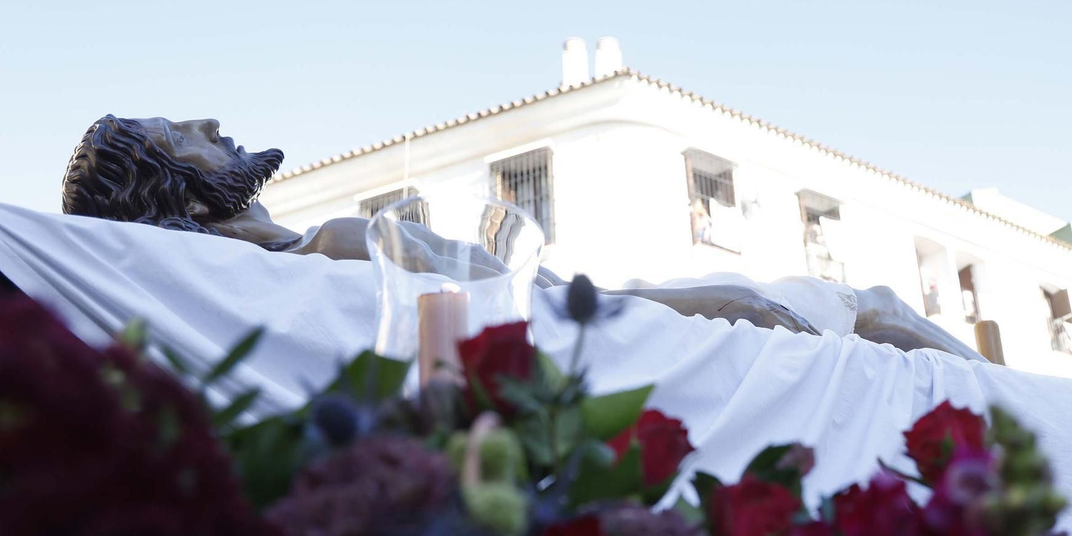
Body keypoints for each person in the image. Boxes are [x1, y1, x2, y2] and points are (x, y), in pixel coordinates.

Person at [58, 114, 980, 357]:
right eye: (180, 134)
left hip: (598, 310)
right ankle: (1023, 406)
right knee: (868, 305)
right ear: (176, 197)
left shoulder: (310, 257)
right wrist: (712, 298)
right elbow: (535, 306)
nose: (211, 122)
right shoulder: (338, 245)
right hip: (615, 316)